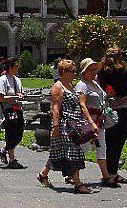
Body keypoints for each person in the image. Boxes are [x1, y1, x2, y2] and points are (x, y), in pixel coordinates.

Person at [39, 59, 94, 194]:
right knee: (74, 152)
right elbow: (56, 109)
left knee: (58, 152)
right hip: (65, 125)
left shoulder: (70, 85)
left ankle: (43, 174)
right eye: (72, 71)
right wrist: (56, 127)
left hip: (74, 124)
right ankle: (78, 183)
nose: (74, 74)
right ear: (63, 72)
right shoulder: (58, 87)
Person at [98, 47, 127, 186]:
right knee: (118, 142)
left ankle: (109, 172)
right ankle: (112, 173)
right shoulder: (123, 72)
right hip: (122, 110)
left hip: (107, 110)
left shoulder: (102, 72)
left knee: (109, 142)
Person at [74, 58, 115, 187]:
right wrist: (90, 121)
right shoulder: (82, 85)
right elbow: (82, 104)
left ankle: (106, 176)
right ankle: (73, 175)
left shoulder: (95, 83)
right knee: (83, 148)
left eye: (95, 69)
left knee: (101, 147)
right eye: (91, 70)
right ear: (84, 72)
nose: (94, 72)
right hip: (87, 122)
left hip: (99, 121)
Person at [0, 56, 28, 169]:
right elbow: (1, 97)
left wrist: (21, 96)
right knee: (11, 133)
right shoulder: (3, 79)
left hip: (17, 109)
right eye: (16, 66)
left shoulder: (17, 80)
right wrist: (14, 97)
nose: (18, 68)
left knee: (19, 134)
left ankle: (3, 150)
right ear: (10, 67)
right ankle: (12, 159)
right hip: (8, 110)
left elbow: (20, 94)